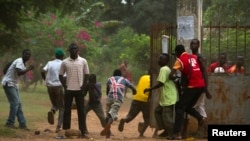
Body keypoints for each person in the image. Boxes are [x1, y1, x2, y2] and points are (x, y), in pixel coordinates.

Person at [168, 44, 207, 140]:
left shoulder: (179, 60)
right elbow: (200, 69)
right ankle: (200, 118)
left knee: (179, 107)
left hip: (192, 86)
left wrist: (175, 78)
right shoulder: (193, 56)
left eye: (175, 54)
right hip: (201, 86)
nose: (175, 56)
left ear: (177, 52)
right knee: (187, 107)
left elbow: (171, 75)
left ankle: (177, 133)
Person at [59, 43, 90, 139]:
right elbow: (60, 75)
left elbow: (87, 74)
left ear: (78, 50)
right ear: (69, 51)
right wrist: (64, 86)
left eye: (75, 49)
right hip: (69, 89)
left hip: (79, 89)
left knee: (81, 111)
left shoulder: (83, 61)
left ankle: (83, 131)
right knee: (67, 110)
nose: (73, 50)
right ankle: (66, 130)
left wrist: (83, 87)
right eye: (71, 49)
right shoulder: (65, 62)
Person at [144, 53, 178, 139]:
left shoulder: (164, 69)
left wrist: (149, 89)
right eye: (159, 58)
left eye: (160, 59)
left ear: (165, 61)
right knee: (157, 111)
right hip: (167, 96)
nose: (158, 60)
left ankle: (172, 134)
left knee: (167, 116)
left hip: (169, 96)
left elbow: (160, 83)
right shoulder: (166, 69)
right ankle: (166, 130)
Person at [1, 49, 34, 130]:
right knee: (15, 102)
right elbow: (19, 72)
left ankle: (22, 124)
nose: (28, 56)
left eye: (29, 55)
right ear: (22, 54)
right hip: (9, 83)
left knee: (18, 104)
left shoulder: (22, 63)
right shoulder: (19, 61)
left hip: (14, 84)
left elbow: (6, 69)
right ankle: (9, 123)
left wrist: (8, 73)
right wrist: (29, 68)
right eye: (26, 54)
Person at [100, 69, 136, 139]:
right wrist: (134, 91)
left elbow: (108, 90)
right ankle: (108, 125)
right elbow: (132, 87)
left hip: (110, 98)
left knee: (108, 114)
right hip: (118, 98)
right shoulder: (124, 79)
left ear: (113, 74)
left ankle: (108, 134)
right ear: (120, 75)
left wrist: (109, 97)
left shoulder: (109, 79)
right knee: (112, 113)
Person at [190, 39, 212, 138]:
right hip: (195, 87)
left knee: (199, 107)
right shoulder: (192, 57)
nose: (193, 45)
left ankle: (205, 131)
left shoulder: (199, 58)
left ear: (198, 46)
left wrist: (206, 89)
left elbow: (204, 73)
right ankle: (202, 131)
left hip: (200, 87)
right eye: (192, 44)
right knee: (198, 108)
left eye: (195, 44)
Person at [41, 48, 65, 133]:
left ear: (55, 56)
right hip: (58, 86)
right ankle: (58, 126)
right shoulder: (63, 63)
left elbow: (42, 71)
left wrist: (45, 80)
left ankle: (52, 111)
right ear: (62, 56)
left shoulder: (49, 63)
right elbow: (64, 76)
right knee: (62, 107)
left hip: (49, 87)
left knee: (55, 104)